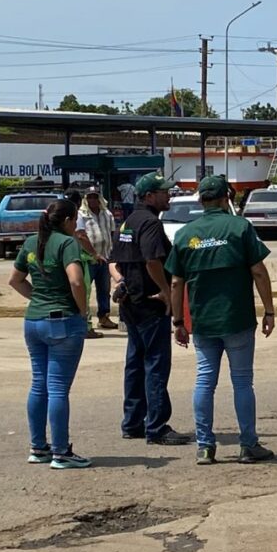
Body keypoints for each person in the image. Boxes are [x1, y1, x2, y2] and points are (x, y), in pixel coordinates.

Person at [165, 175, 277, 465]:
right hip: (237, 319)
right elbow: (260, 272)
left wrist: (178, 322)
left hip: (203, 322)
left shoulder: (185, 235)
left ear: (201, 200)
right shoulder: (240, 228)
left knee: (204, 381)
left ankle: (204, 446)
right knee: (242, 382)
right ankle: (248, 445)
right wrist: (269, 310)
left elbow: (176, 283)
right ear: (226, 198)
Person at [7, 199, 92, 469]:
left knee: (39, 384)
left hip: (34, 321)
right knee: (57, 388)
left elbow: (15, 280)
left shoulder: (32, 242)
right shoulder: (67, 244)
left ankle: (38, 447)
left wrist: (39, 300)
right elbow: (76, 280)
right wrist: (82, 311)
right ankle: (61, 451)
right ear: (67, 220)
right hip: (62, 322)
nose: (76, 223)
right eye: (75, 218)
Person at [110, 172, 191, 446]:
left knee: (135, 364)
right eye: (163, 191)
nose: (168, 195)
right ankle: (157, 426)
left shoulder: (129, 222)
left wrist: (122, 283)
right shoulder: (151, 224)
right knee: (156, 365)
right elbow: (152, 261)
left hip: (131, 303)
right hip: (151, 303)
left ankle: (132, 422)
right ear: (148, 196)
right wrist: (167, 292)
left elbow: (116, 262)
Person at [76, 186, 117, 334]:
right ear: (85, 199)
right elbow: (80, 236)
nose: (92, 200)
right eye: (90, 197)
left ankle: (104, 317)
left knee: (104, 290)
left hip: (104, 257)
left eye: (95, 196)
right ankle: (85, 322)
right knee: (85, 291)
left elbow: (112, 233)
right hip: (88, 259)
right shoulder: (81, 215)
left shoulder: (107, 214)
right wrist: (94, 254)